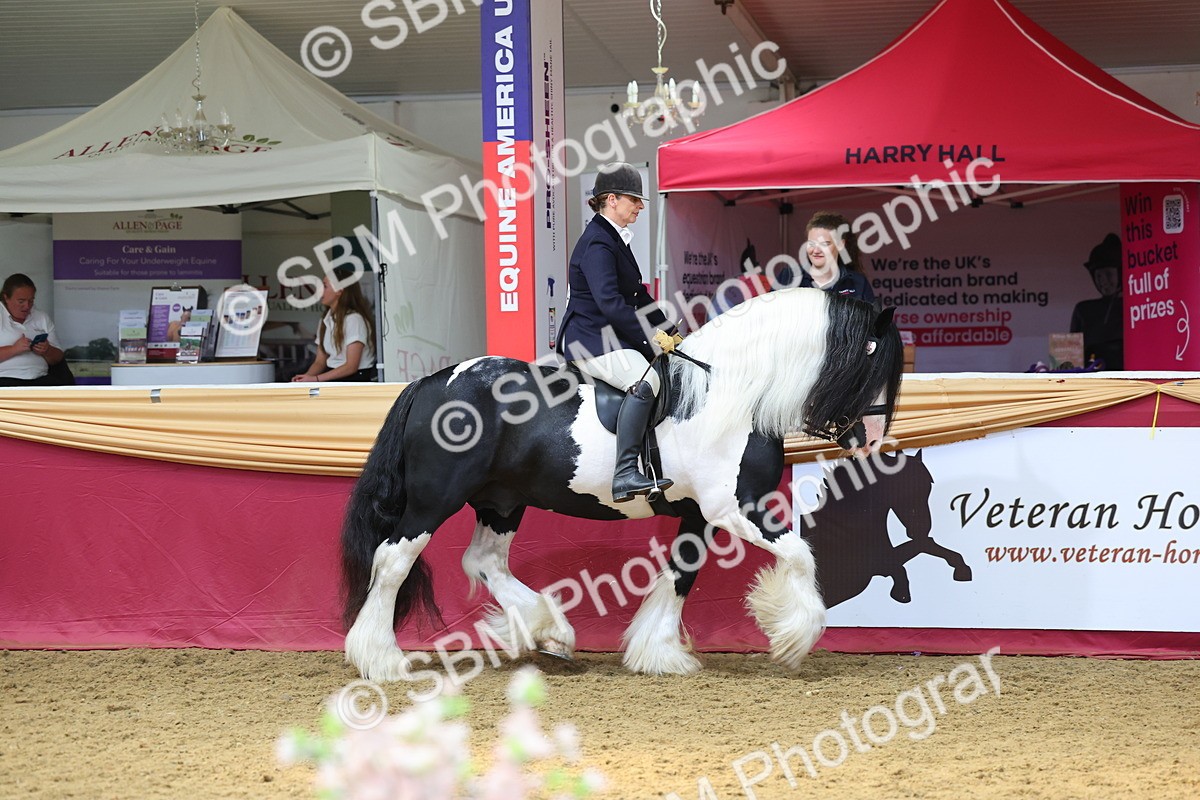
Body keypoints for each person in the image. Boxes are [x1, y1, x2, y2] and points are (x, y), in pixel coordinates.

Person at [556, 162, 676, 503]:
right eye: (634, 199)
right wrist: (650, 341)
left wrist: (672, 333)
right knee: (645, 380)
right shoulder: (597, 243)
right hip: (589, 340)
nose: (639, 206)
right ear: (611, 199)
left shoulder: (614, 239)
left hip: (607, 334)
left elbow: (638, 296)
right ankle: (624, 473)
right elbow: (610, 304)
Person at [291, 266, 377, 383]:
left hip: (355, 380)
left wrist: (316, 379)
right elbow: (320, 361)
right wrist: (305, 378)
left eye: (325, 286)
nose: (320, 290)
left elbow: (351, 366)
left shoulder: (354, 320)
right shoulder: (326, 319)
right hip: (333, 376)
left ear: (339, 291)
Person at [0, 273, 72, 387]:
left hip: (40, 379)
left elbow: (58, 358)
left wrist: (47, 350)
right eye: (21, 301)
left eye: (31, 301)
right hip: (5, 379)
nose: (27, 306)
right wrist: (14, 349)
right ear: (6, 297)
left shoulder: (41, 317)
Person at [794, 211, 875, 302]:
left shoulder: (858, 283)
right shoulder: (789, 278)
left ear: (840, 245)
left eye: (824, 244)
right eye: (811, 244)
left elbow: (871, 315)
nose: (816, 251)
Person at [1070, 233, 1123, 370]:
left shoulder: (1137, 309)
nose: (1103, 281)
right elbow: (1070, 359)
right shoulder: (1084, 310)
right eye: (1098, 275)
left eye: (1108, 274)